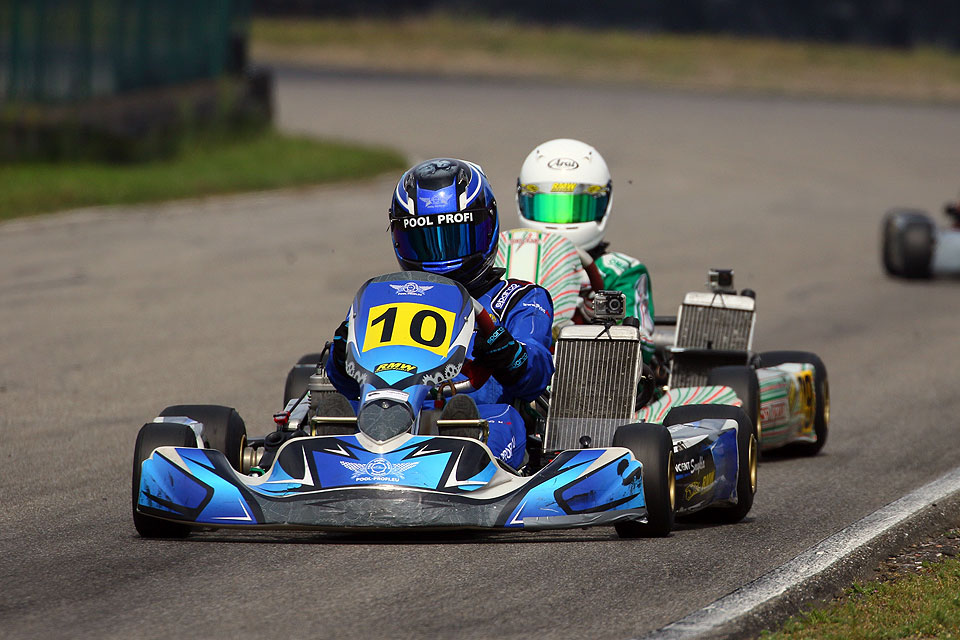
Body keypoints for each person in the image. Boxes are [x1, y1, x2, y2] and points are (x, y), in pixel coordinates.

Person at [325, 158, 555, 469]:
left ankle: (464, 455)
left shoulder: (518, 298)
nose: (442, 255)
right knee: (340, 409)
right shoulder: (388, 297)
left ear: (485, 227)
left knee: (503, 420)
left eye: (453, 236)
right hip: (386, 414)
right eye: (425, 241)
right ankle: (332, 446)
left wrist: (504, 348)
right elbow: (350, 385)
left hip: (473, 418)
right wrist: (342, 354)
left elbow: (537, 373)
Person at [516, 138, 656, 364]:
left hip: (594, 379)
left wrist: (603, 322)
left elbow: (644, 347)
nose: (561, 223)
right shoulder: (508, 261)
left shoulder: (619, 271)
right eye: (549, 208)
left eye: (574, 209)